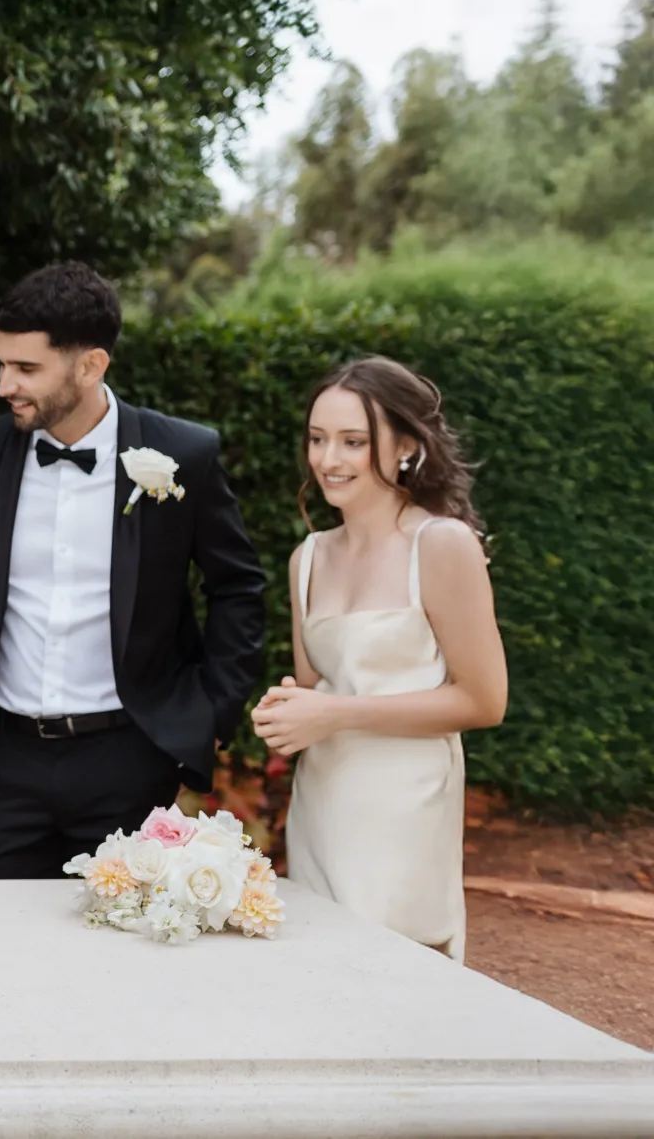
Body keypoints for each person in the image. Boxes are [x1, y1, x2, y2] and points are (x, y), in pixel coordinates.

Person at [0, 262, 268, 879]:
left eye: (26, 369)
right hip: (5, 758)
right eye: (2, 364)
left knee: (122, 956)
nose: (5, 384)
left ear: (90, 365)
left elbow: (238, 587)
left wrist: (213, 713)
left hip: (130, 755)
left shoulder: (184, 454)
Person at [255, 357, 506, 959]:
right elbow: (317, 692)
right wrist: (288, 711)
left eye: (352, 442)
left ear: (406, 448)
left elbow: (483, 699)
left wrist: (334, 714)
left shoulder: (441, 545)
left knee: (389, 981)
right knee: (316, 976)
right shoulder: (308, 558)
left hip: (404, 809)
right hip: (322, 805)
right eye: (317, 439)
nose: (327, 460)